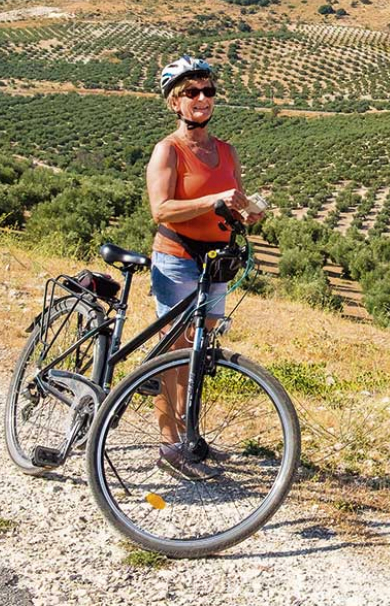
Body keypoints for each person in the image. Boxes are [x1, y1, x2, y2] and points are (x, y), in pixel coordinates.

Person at [145, 56, 263, 479]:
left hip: (216, 265)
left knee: (200, 353)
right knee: (174, 353)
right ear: (175, 103)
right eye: (191, 93)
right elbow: (161, 209)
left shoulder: (226, 151)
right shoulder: (169, 150)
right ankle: (167, 443)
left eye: (208, 92)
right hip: (176, 260)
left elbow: (238, 199)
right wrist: (211, 202)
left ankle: (189, 435)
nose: (202, 98)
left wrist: (249, 213)